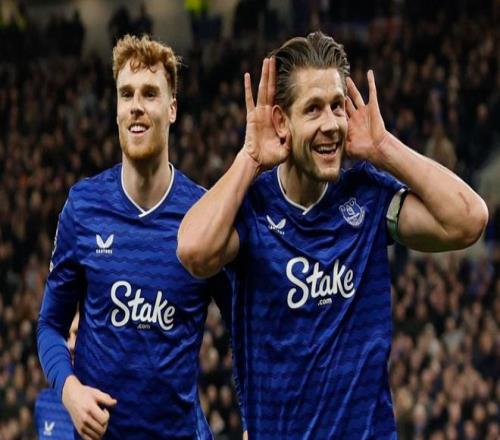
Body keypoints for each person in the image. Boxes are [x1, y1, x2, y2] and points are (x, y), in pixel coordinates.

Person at [177, 31, 488, 438]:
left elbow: (468, 220)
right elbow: (194, 251)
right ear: (282, 122)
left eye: (336, 106)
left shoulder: (368, 196)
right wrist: (249, 159)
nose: (330, 124)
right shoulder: (252, 208)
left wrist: (384, 147)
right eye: (313, 109)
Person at [37, 34, 232, 439]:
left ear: (172, 108)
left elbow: (244, 332)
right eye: (126, 94)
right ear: (116, 109)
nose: (136, 106)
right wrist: (70, 391)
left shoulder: (204, 215)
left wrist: (253, 422)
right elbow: (50, 326)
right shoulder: (83, 207)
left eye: (149, 93)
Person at [35, 312, 79, 440]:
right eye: (66, 336)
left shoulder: (108, 399)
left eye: (78, 334)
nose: (71, 345)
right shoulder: (44, 401)